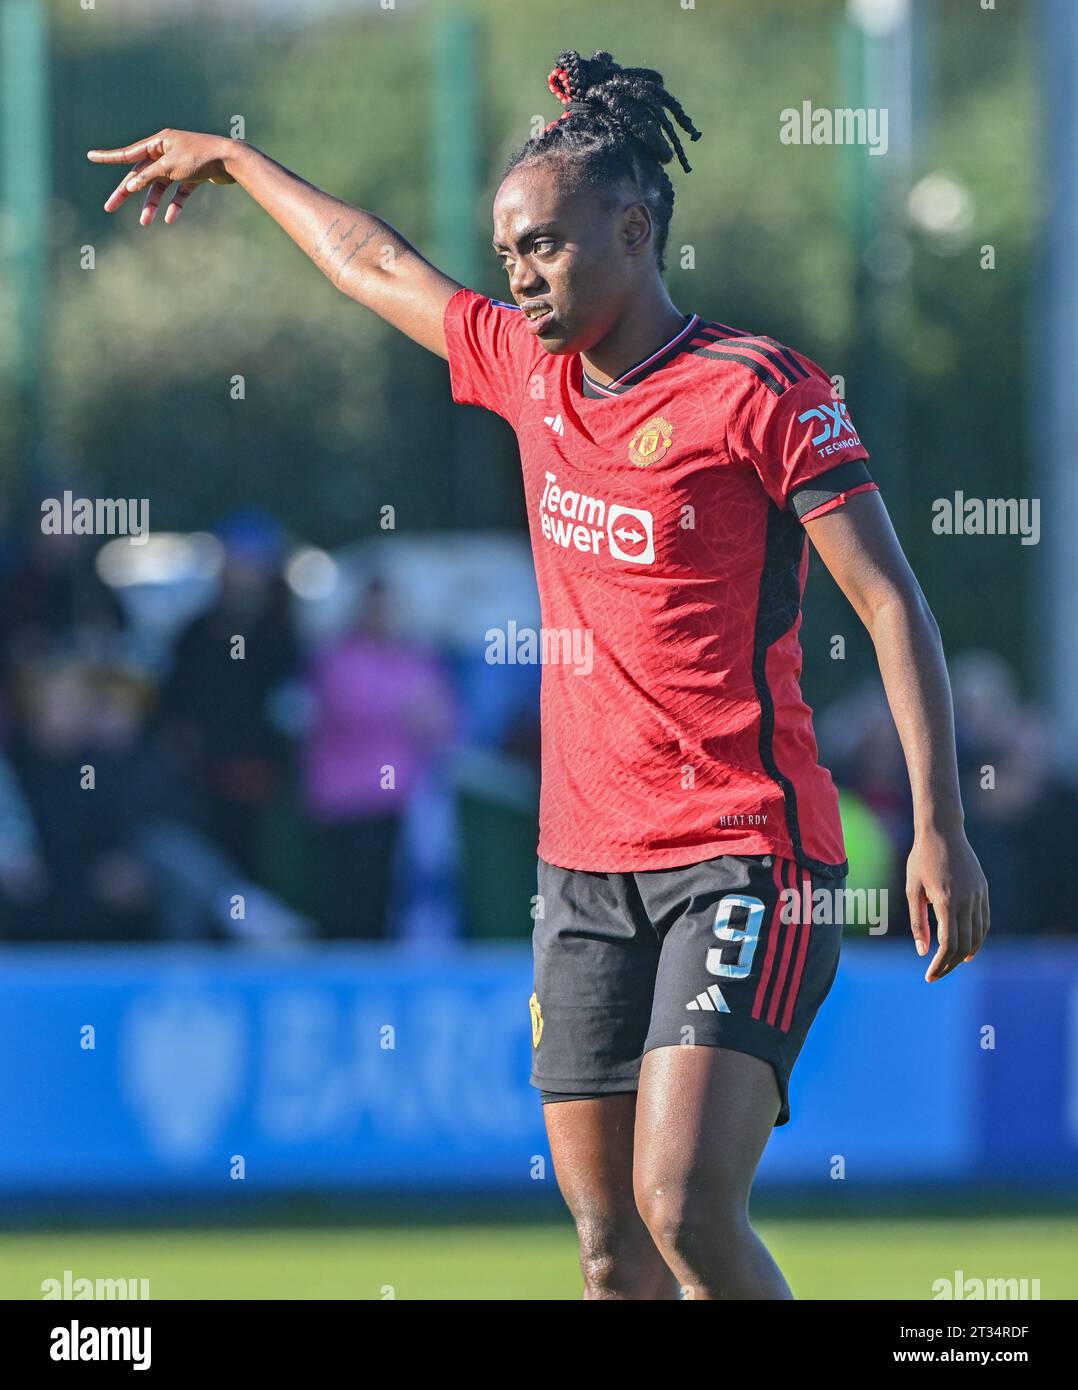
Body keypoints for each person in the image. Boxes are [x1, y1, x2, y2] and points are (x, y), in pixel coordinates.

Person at [88, 48, 989, 1301]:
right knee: (609, 1250)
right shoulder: (526, 370)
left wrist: (940, 826)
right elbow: (373, 264)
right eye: (507, 253)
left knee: (682, 1207)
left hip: (744, 851)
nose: (517, 278)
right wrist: (239, 161)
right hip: (580, 870)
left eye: (545, 248)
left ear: (633, 228)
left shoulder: (758, 392)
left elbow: (891, 606)